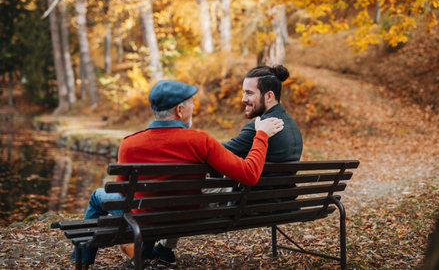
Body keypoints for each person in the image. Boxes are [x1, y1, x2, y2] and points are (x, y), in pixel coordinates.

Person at [71, 79, 284, 269]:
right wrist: (261, 135)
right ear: (180, 110)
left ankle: (82, 262)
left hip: (143, 220)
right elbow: (249, 174)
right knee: (144, 203)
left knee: (99, 196)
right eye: (191, 103)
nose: (194, 108)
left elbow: (125, 197)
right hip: (185, 215)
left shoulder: (129, 144)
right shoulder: (201, 141)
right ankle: (143, 251)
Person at [222, 65, 303, 204]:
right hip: (283, 205)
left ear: (269, 96)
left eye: (249, 93)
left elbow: (214, 153)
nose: (243, 99)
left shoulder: (259, 128)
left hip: (250, 206)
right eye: (243, 93)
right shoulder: (292, 126)